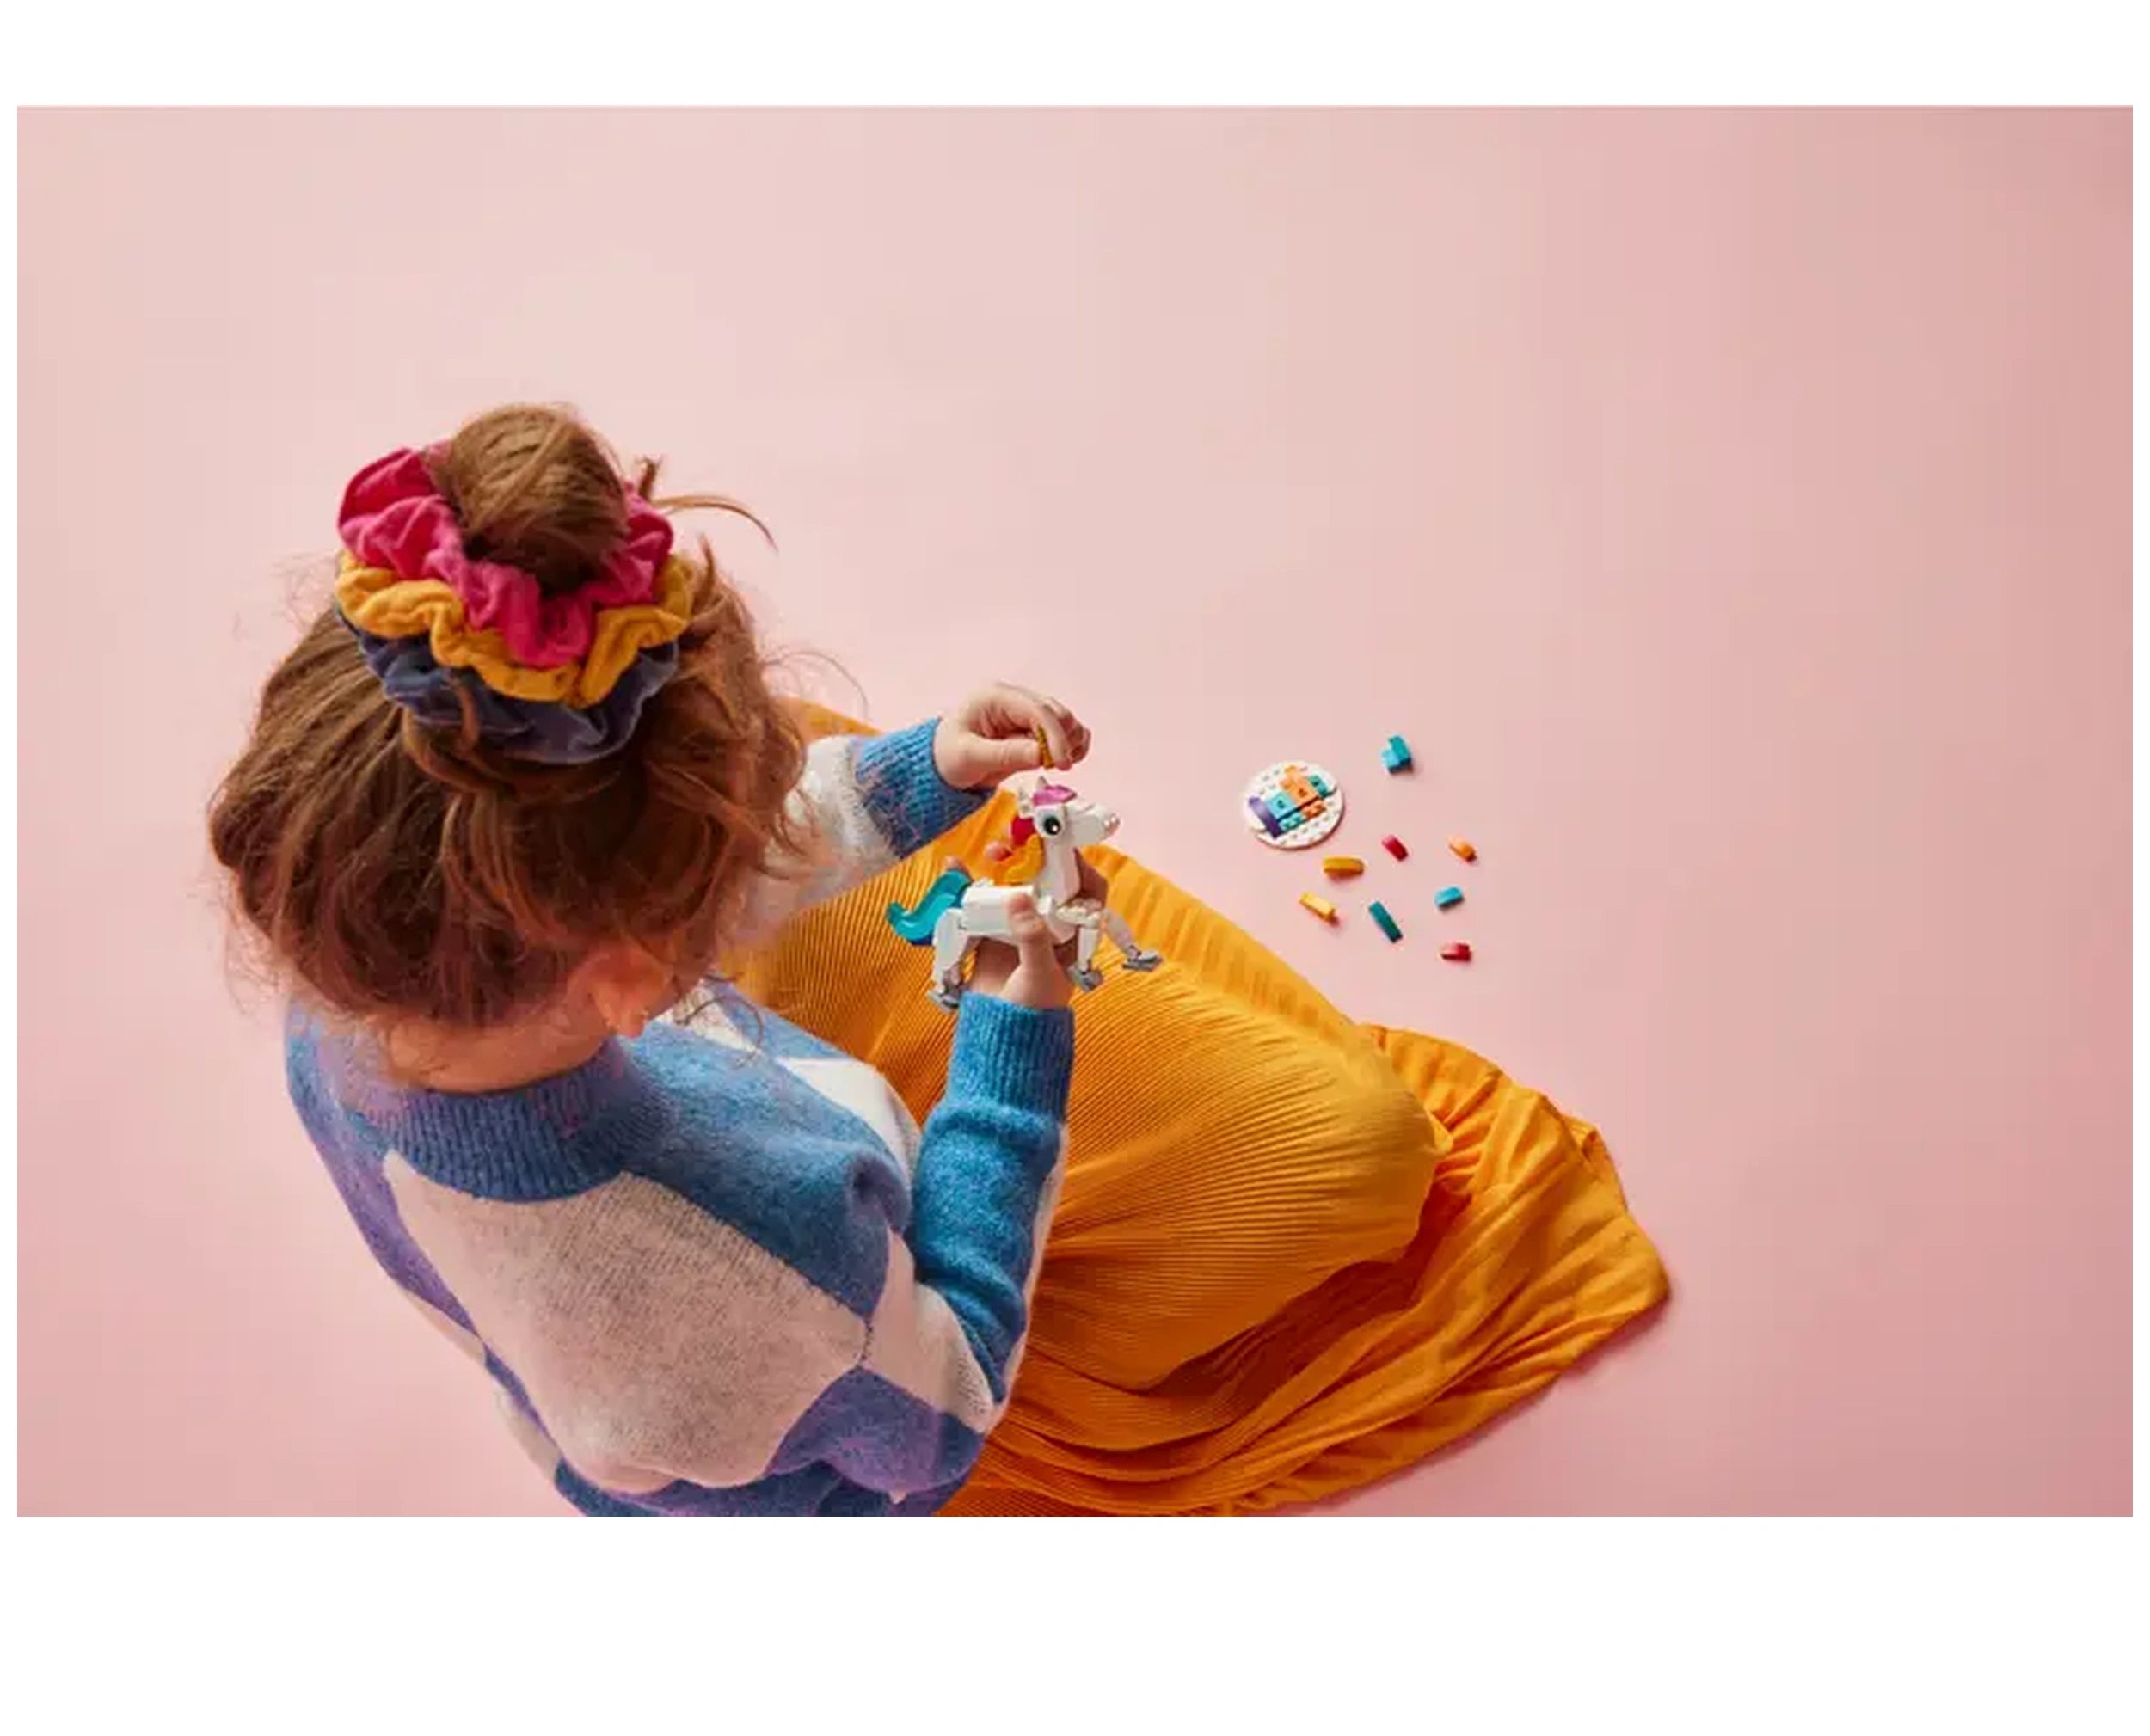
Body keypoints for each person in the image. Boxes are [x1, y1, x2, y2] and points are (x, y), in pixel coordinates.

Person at [212, 403, 1666, 1516]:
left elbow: (663, 904)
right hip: (851, 1370)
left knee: (819, 774)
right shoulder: (744, 1266)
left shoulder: (353, 988)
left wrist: (917, 776)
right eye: (717, 860)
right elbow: (948, 1394)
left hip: (727, 1260)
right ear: (633, 974)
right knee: (1353, 1157)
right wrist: (1011, 1045)